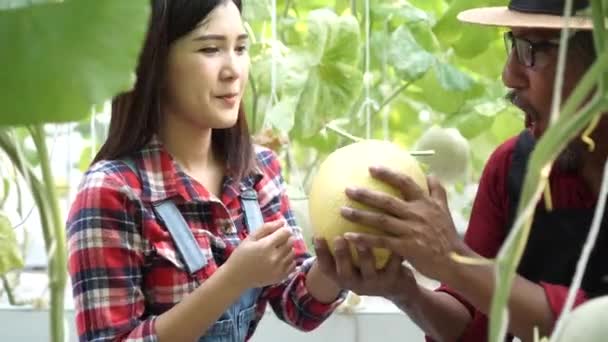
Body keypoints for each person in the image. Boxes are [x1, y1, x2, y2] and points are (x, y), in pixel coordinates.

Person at [313, 0, 608, 341]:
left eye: (532, 50)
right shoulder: (511, 167)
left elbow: (590, 329)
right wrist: (404, 290)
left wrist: (454, 259)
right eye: (513, 43)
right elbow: (474, 327)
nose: (508, 75)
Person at [66, 1, 347, 341]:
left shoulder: (258, 172)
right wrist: (234, 278)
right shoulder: (111, 191)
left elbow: (298, 304)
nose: (233, 70)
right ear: (154, 59)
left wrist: (339, 262)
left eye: (241, 48)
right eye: (211, 49)